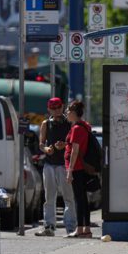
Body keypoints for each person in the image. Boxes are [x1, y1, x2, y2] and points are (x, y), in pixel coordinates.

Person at [34, 97, 76, 236]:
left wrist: (64, 145)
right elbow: (41, 143)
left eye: (58, 107)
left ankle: (70, 227)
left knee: (68, 197)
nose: (56, 110)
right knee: (49, 197)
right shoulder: (46, 123)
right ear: (49, 109)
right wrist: (46, 149)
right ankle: (49, 226)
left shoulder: (69, 123)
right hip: (50, 163)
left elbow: (73, 142)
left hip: (64, 164)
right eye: (53, 108)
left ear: (62, 106)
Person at [64, 100, 93, 239]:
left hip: (77, 168)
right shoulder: (84, 126)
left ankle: (80, 229)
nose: (66, 113)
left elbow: (75, 150)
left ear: (74, 113)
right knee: (83, 199)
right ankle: (86, 229)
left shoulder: (76, 128)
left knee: (78, 199)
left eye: (68, 111)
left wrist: (70, 171)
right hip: (82, 167)